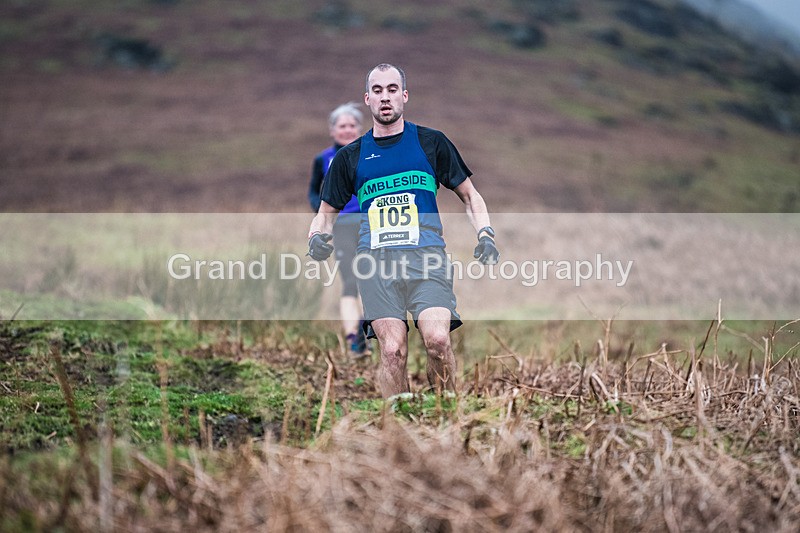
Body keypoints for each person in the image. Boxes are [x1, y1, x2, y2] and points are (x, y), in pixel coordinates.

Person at [307, 63, 499, 398]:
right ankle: (402, 428)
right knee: (393, 351)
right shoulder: (350, 158)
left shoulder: (431, 143)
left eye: (392, 89)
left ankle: (446, 413)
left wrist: (485, 233)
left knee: (438, 341)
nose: (385, 97)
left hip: (427, 262)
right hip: (376, 268)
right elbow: (325, 215)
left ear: (405, 96)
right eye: (377, 91)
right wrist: (316, 240)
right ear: (367, 99)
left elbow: (470, 195)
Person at [308, 102, 369, 359]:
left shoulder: (369, 152)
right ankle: (353, 338)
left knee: (373, 277)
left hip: (371, 223)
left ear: (360, 129)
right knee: (350, 280)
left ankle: (370, 327)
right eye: (342, 126)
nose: (347, 130)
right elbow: (313, 191)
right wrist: (323, 219)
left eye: (352, 125)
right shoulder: (323, 159)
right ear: (333, 130)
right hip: (342, 225)